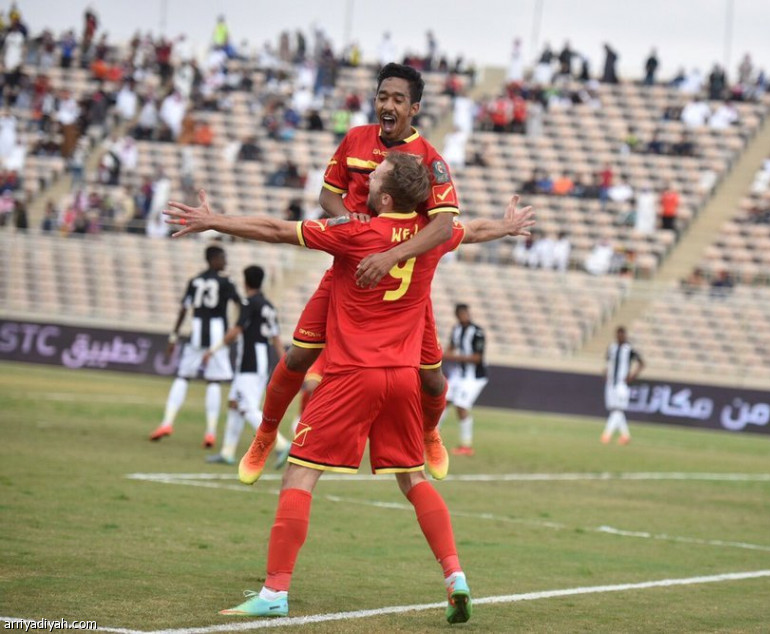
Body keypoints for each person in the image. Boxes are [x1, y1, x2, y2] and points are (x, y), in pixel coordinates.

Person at [164, 151, 534, 623]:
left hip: (352, 376)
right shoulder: (431, 236)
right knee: (413, 479)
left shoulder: (356, 232)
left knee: (299, 475)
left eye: (375, 176)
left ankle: (275, 591)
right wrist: (506, 226)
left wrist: (213, 221)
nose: (367, 177)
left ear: (385, 198)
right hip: (403, 379)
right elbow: (473, 230)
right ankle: (455, 577)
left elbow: (276, 230)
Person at [252, 63, 475, 483]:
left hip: (404, 288)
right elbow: (327, 196)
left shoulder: (430, 159)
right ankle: (265, 434)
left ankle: (429, 434)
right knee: (298, 356)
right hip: (349, 270)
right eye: (382, 97)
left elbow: (445, 226)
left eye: (398, 99)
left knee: (431, 381)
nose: (388, 105)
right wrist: (351, 223)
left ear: (414, 108)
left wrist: (390, 254)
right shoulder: (355, 139)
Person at [151, 245, 243, 448]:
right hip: (217, 335)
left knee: (183, 376)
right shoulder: (226, 281)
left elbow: (183, 310)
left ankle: (167, 423)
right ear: (213, 259)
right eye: (222, 258)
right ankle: (210, 432)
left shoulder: (195, 281)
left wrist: (173, 336)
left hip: (197, 332)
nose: (225, 261)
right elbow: (240, 304)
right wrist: (237, 327)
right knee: (214, 381)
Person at [205, 265, 292, 467]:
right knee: (235, 403)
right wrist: (285, 364)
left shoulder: (248, 302)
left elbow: (236, 331)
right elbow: (276, 338)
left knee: (247, 407)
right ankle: (227, 452)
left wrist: (213, 350)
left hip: (249, 362)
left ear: (245, 282)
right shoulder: (268, 306)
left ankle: (281, 444)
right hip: (262, 362)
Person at [441, 304, 488, 456]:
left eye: (466, 313)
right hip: (459, 375)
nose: (464, 316)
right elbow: (450, 348)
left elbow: (477, 358)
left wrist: (451, 357)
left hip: (474, 377)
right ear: (457, 315)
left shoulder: (477, 332)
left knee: (461, 406)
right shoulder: (457, 330)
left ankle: (466, 445)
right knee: (442, 402)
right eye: (461, 313)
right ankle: (430, 438)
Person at [601, 327, 644, 444]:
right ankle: (625, 436)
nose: (620, 337)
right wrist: (606, 372)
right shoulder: (612, 348)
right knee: (615, 410)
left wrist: (632, 376)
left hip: (622, 384)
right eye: (618, 335)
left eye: (622, 335)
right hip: (611, 383)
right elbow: (608, 362)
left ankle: (607, 435)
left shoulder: (629, 349)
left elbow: (641, 363)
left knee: (618, 410)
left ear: (625, 335)